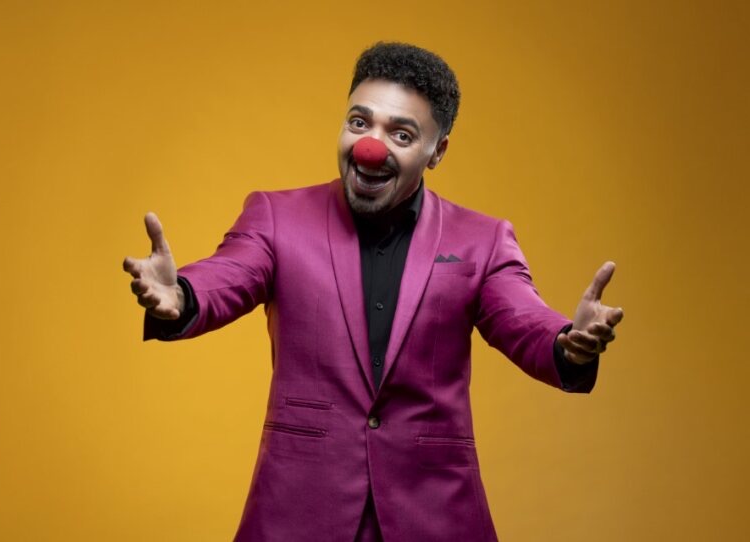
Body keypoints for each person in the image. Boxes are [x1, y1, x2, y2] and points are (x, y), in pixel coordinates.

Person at [122, 42, 624, 542]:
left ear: (437, 152)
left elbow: (522, 318)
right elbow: (230, 272)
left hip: (435, 516)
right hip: (299, 512)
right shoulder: (276, 217)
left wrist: (567, 343)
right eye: (359, 123)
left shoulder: (483, 239)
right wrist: (182, 295)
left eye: (401, 134)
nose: (371, 146)